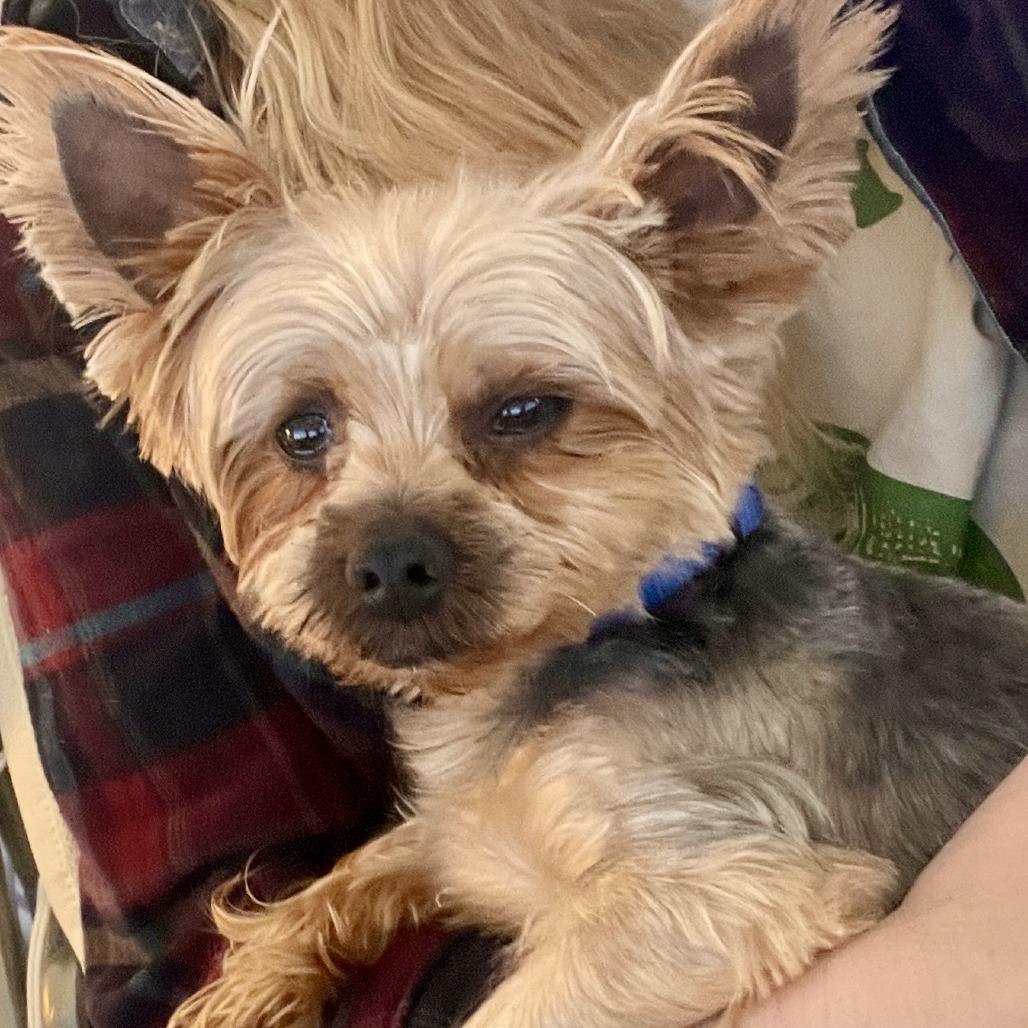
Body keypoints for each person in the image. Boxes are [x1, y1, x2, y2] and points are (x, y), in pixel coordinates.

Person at [0, 1, 1025, 1025]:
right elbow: (476, 836)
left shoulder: (709, 695)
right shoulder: (135, 32)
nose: (388, 542)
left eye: (519, 416)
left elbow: (721, 903)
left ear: (721, 266)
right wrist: (319, 924)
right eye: (306, 439)